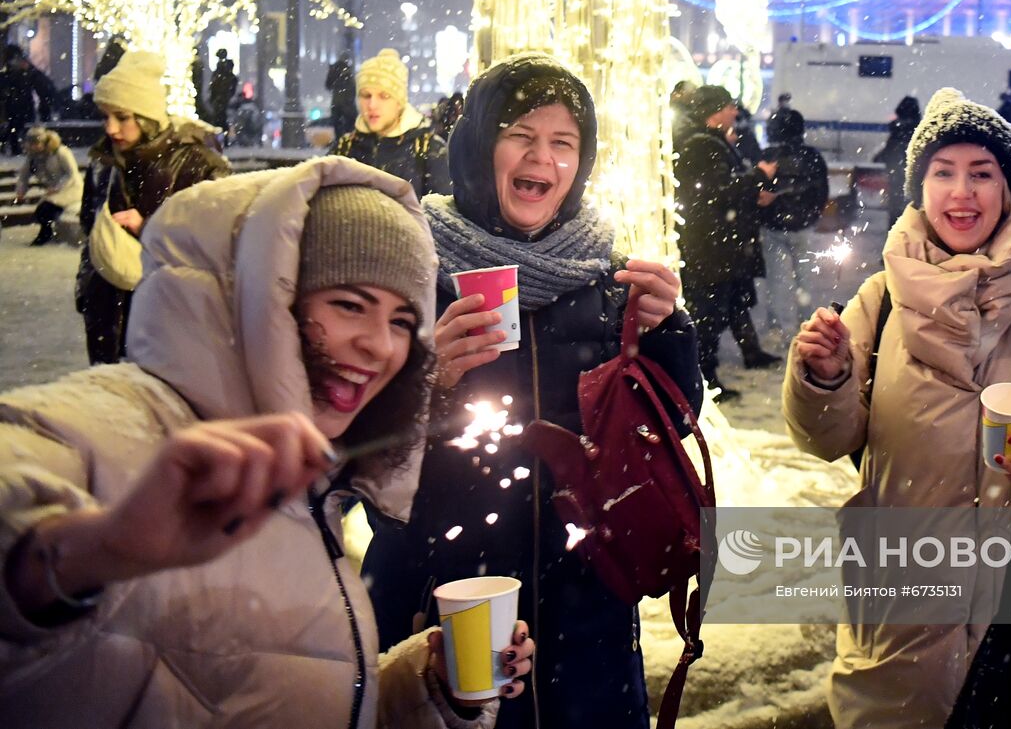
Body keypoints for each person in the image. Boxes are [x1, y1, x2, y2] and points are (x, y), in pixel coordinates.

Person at [0, 159, 536, 728]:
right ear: (264, 299)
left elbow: (263, 694)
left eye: (402, 321)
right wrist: (83, 553)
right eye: (348, 305)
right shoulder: (122, 422)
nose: (380, 346)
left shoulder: (315, 487)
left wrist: (430, 689)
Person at [362, 53, 702, 729]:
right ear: (480, 143)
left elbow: (671, 423)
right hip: (448, 599)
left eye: (563, 142)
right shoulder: (412, 272)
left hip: (590, 618)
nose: (541, 157)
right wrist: (431, 384)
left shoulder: (606, 278)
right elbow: (366, 466)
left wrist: (670, 331)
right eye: (520, 133)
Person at [784, 87, 1011, 729]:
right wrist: (823, 376)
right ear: (920, 189)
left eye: (982, 174)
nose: (961, 193)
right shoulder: (879, 300)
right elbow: (827, 440)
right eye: (942, 173)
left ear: (1010, 192)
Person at [77, 49, 230, 365]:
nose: (110, 129)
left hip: (168, 320)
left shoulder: (196, 163)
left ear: (146, 117)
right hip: (105, 316)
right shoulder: (103, 165)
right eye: (105, 117)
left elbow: (220, 242)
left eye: (122, 118)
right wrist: (87, 290)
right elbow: (88, 230)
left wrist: (149, 228)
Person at [673, 83, 781, 398]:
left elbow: (721, 190)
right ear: (715, 111)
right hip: (709, 248)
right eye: (729, 106)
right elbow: (715, 193)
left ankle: (722, 369)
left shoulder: (710, 143)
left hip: (717, 245)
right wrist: (758, 175)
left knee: (726, 307)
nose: (735, 112)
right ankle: (704, 382)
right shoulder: (703, 146)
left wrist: (751, 192)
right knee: (707, 317)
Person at [331, 48, 448, 199]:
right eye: (366, 95)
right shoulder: (344, 148)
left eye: (384, 96)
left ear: (399, 102)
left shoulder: (430, 150)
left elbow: (441, 218)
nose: (372, 104)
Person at [757, 106, 829, 337]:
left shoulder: (768, 156)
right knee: (804, 278)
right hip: (804, 227)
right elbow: (821, 190)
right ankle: (806, 321)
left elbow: (758, 191)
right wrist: (811, 215)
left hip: (773, 226)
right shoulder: (812, 156)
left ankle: (777, 326)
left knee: (776, 280)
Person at [15, 127, 81, 246]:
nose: (34, 146)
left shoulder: (61, 152)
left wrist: (58, 188)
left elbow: (72, 174)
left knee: (45, 210)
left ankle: (46, 234)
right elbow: (23, 175)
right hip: (53, 192)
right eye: (31, 143)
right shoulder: (33, 157)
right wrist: (21, 191)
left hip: (71, 189)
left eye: (36, 143)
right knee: (42, 211)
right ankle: (48, 232)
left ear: (44, 142)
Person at [872, 95, 920, 229]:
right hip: (914, 183)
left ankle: (896, 241)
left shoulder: (897, 131)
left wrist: (878, 159)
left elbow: (888, 152)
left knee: (896, 216)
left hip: (896, 180)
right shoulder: (920, 132)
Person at [2, 45, 56, 156]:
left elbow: (43, 86)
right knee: (17, 131)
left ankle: (16, 149)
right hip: (20, 108)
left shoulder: (21, 72)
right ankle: (18, 149)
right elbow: (43, 86)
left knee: (15, 131)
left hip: (17, 108)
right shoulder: (24, 72)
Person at [328, 51, 358, 139]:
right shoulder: (347, 73)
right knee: (349, 128)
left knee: (338, 128)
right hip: (347, 105)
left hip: (336, 104)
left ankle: (340, 143)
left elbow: (328, 85)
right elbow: (352, 89)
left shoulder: (334, 71)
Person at [207, 48, 237, 132]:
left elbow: (216, 83)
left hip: (222, 97)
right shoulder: (224, 69)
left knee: (220, 117)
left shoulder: (222, 69)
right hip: (222, 97)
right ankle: (223, 136)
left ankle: (222, 135)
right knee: (221, 117)